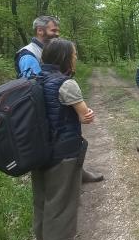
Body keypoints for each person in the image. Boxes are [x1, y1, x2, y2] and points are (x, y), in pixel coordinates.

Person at [15, 16, 103, 184]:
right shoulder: (28, 54)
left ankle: (76, 172)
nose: (57, 34)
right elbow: (32, 90)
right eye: (53, 30)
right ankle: (62, 176)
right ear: (40, 31)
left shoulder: (49, 49)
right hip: (44, 124)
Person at [33, 38, 95, 240]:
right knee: (61, 204)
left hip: (39, 152)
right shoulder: (66, 84)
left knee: (42, 202)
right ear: (63, 57)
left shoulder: (36, 79)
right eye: (74, 54)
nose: (75, 57)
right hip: (62, 153)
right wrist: (87, 115)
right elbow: (85, 115)